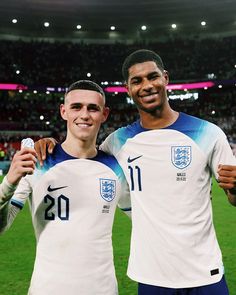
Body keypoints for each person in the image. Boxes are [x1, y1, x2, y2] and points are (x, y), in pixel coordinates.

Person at [35, 50, 236, 295]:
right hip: (151, 276)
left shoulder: (209, 133)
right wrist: (50, 144)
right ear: (128, 89)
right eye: (137, 81)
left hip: (205, 272)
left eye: (153, 77)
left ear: (165, 78)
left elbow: (233, 196)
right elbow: (81, 154)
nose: (147, 86)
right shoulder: (117, 143)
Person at [0, 80, 131, 295]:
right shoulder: (37, 162)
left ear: (104, 114)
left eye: (93, 108)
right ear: (63, 111)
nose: (85, 115)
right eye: (76, 107)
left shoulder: (116, 167)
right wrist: (8, 184)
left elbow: (146, 218)